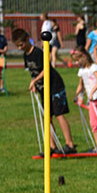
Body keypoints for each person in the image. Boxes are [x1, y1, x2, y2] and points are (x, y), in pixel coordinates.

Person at [13, 27, 76, 155]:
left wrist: (35, 80)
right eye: (17, 46)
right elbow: (33, 72)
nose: (20, 48)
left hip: (55, 86)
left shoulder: (37, 52)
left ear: (27, 40)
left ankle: (70, 144)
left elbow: (46, 69)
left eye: (21, 44)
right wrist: (35, 84)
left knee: (59, 115)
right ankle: (51, 147)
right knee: (47, 118)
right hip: (43, 88)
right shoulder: (26, 55)